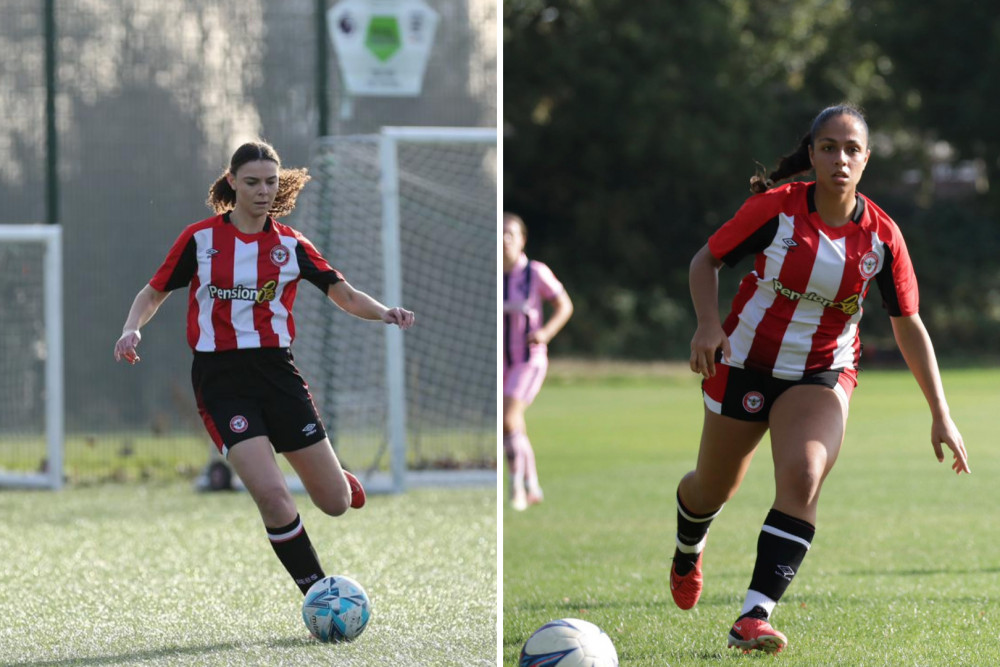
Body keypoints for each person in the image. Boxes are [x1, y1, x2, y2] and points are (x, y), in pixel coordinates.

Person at [668, 104, 971, 654]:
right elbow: (704, 261)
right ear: (811, 154)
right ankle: (689, 544)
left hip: (822, 372)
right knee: (713, 488)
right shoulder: (775, 211)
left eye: (852, 149)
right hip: (744, 363)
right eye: (828, 147)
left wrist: (940, 412)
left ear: (866, 160)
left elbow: (908, 325)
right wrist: (707, 325)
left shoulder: (882, 238)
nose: (840, 158)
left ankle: (753, 616)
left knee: (805, 474)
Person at [113, 140, 415, 596]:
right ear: (232, 182)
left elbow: (345, 295)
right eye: (252, 182)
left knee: (334, 503)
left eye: (271, 182)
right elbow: (153, 292)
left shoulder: (291, 246)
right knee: (273, 498)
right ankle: (317, 593)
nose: (262, 191)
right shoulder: (201, 239)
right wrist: (131, 328)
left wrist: (385, 311)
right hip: (221, 382)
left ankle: (333, 475)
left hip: (278, 375)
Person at [502, 212, 573, 511]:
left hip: (529, 360)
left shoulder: (535, 272)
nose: (504, 240)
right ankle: (532, 485)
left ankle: (516, 487)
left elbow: (564, 304)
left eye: (510, 234)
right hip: (502, 363)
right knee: (513, 424)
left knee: (508, 419)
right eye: (500, 234)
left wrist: (545, 332)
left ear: (522, 240)